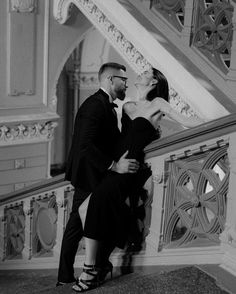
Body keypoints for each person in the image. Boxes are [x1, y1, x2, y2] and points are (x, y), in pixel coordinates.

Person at [72, 67, 206, 292]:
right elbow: (121, 139)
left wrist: (221, 119)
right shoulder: (127, 106)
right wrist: (109, 163)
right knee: (84, 209)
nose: (140, 74)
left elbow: (187, 121)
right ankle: (102, 263)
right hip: (116, 167)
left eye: (145, 73)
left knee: (93, 206)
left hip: (132, 170)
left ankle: (90, 269)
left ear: (154, 82)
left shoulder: (159, 104)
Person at [56, 62, 140, 286]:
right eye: (123, 80)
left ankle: (85, 269)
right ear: (110, 80)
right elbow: (84, 145)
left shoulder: (107, 105)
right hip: (89, 175)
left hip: (98, 175)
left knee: (82, 222)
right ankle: (72, 274)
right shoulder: (94, 105)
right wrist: (114, 166)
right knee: (76, 225)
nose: (126, 84)